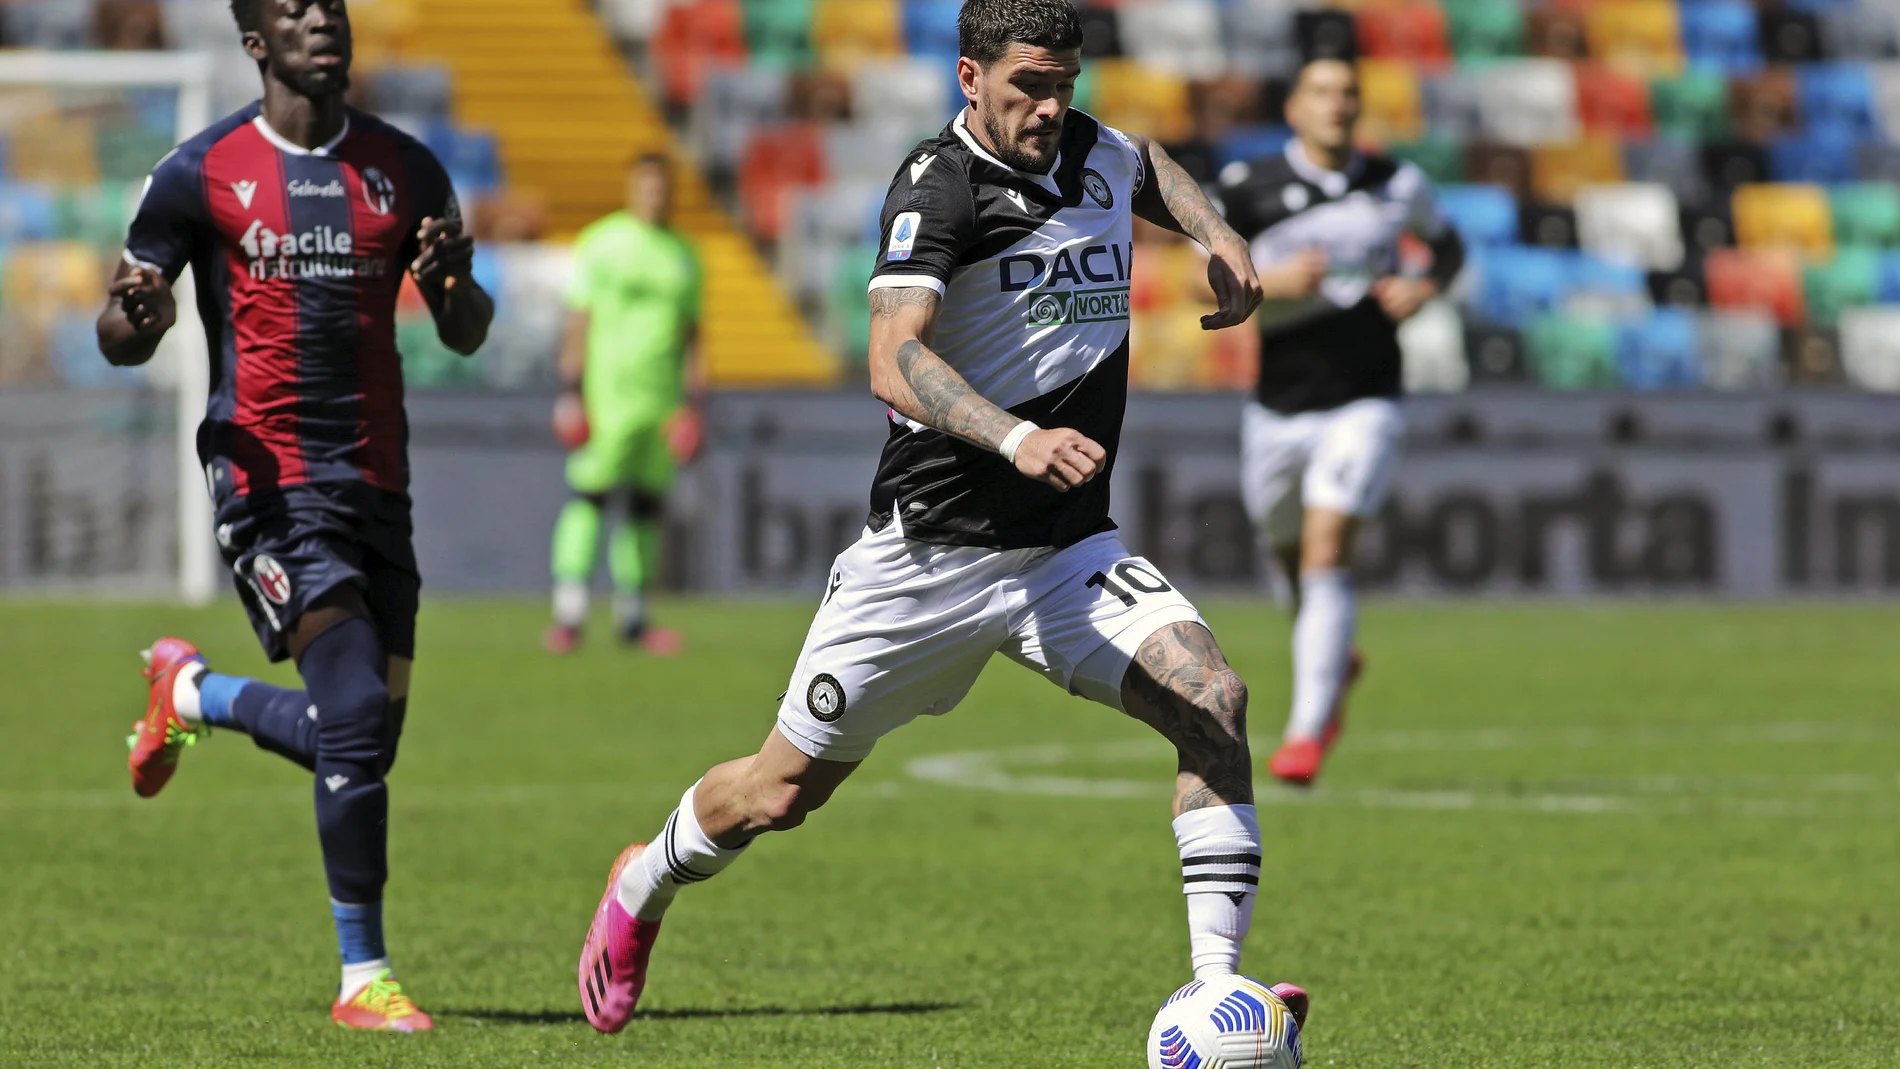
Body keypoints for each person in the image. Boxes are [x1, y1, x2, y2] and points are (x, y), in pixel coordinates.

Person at [576, 0, 1313, 1040]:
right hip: (927, 560)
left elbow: (1148, 161)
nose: (1051, 108)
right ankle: (640, 883)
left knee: (1213, 698)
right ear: (969, 77)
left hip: (1061, 551)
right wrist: (1014, 438)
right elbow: (893, 356)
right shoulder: (941, 187)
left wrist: (1218, 232)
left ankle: (1214, 987)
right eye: (1027, 86)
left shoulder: (1092, 147)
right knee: (777, 793)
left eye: (1064, 84)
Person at [96, 0, 492, 1032]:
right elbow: (122, 325)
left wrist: (453, 284)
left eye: (334, 5)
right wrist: (132, 320)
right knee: (353, 717)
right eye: (295, 10)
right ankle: (364, 976)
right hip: (268, 485)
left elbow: (464, 328)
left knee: (362, 739)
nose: (323, 20)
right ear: (256, 43)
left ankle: (190, 692)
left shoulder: (406, 170)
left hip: (377, 482)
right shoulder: (201, 170)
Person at [1213, 58, 1465, 787]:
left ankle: (1305, 731)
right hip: (1276, 407)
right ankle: (1335, 656)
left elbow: (1447, 246)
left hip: (1366, 397)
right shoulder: (1248, 186)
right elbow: (1206, 265)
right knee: (1290, 561)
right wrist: (1262, 277)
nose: (1337, 105)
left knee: (1326, 554)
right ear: (1293, 107)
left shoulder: (1396, 184)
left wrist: (1423, 286)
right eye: (1322, 92)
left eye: (1348, 93)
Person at [545, 152, 702, 656]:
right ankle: (569, 613)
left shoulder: (685, 255)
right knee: (589, 497)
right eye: (648, 186)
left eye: (663, 187)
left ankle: (633, 619)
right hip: (605, 395)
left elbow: (692, 336)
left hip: (660, 404)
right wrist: (571, 393)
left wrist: (693, 405)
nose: (656, 195)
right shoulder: (602, 243)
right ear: (633, 189)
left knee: (644, 508)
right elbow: (578, 319)